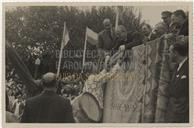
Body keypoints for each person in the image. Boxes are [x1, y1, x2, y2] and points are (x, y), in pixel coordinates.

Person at [167, 42, 189, 123]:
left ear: (175, 53)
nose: (168, 55)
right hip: (174, 111)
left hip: (184, 112)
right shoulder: (176, 66)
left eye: (169, 52)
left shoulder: (189, 66)